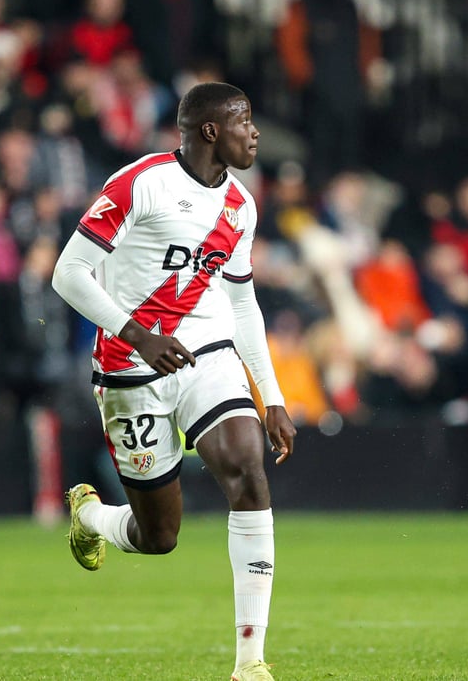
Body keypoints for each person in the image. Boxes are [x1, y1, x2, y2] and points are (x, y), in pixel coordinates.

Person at [51, 81, 296, 681]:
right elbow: (68, 273)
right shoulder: (140, 184)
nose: (255, 132)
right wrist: (138, 335)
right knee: (159, 536)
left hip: (207, 353)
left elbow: (242, 307)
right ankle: (91, 519)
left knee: (246, 469)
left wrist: (273, 397)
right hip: (128, 365)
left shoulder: (242, 205)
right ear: (210, 130)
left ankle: (250, 661)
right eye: (244, 120)